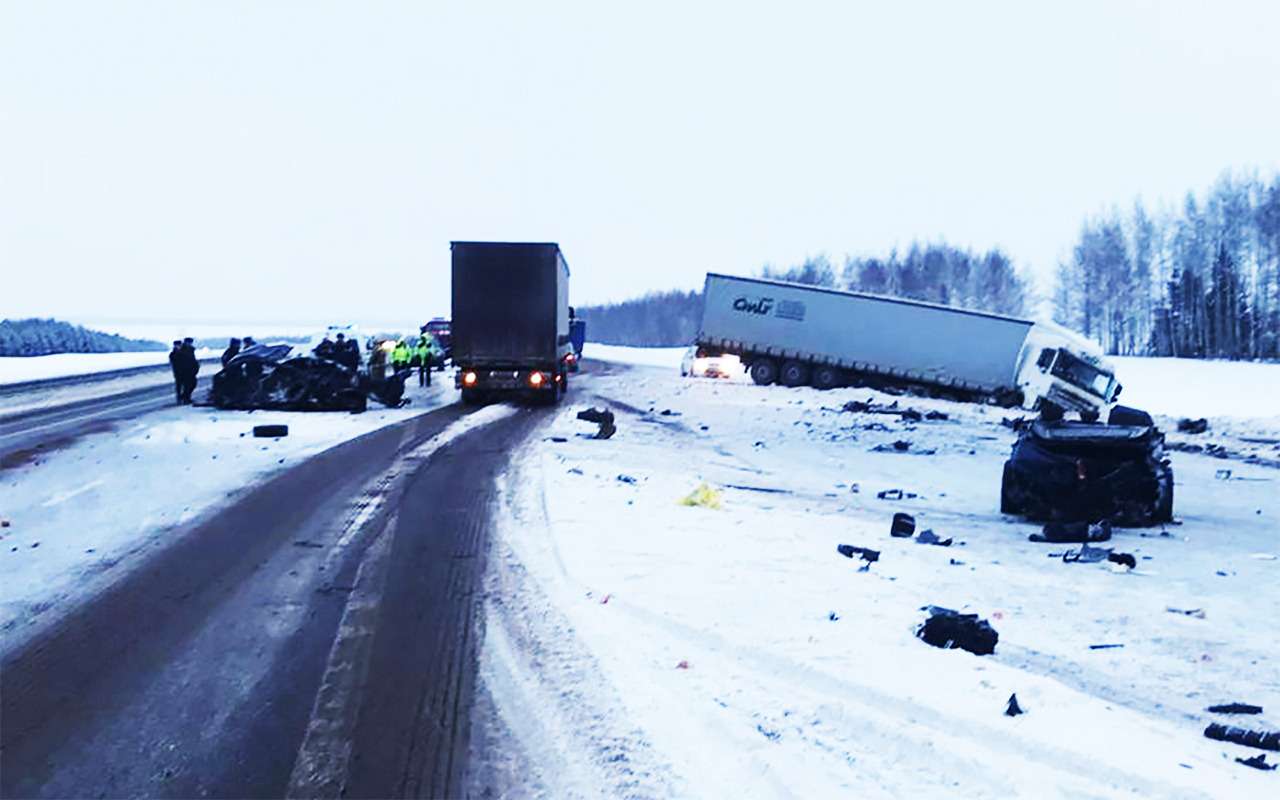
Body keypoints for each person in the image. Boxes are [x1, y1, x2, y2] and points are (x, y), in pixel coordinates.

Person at [178, 337, 200, 403]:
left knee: (193, 384)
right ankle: (185, 398)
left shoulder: (191, 350)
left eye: (190, 343)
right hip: (185, 371)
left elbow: (193, 360)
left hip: (191, 371)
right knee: (187, 385)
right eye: (188, 342)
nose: (190, 344)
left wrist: (196, 366)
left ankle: (186, 396)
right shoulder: (182, 350)